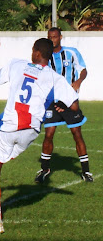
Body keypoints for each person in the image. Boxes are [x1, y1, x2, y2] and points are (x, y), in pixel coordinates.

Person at [0, 38, 80, 234]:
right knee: (3, 157)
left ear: (35, 52)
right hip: (31, 131)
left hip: (9, 126)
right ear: (49, 56)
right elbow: (74, 105)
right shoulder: (55, 77)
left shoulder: (17, 64)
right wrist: (59, 104)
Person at [34, 27, 93, 183]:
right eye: (49, 37)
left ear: (60, 37)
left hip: (69, 100)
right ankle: (45, 169)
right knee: (49, 134)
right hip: (52, 101)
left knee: (76, 133)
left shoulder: (71, 52)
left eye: (55, 37)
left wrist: (78, 82)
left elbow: (83, 70)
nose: (52, 39)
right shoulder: (44, 56)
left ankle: (86, 171)